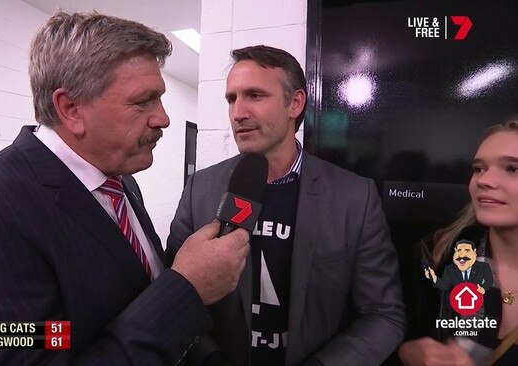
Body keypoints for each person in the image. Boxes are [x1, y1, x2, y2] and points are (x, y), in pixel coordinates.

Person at [0, 12, 250, 366]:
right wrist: (187, 290)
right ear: (71, 109)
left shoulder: (120, 183)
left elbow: (142, 293)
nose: (163, 118)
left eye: (159, 99)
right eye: (142, 101)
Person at [166, 45, 405, 366]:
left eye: (254, 95)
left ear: (295, 103)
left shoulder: (354, 197)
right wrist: (208, 358)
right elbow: (172, 293)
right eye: (231, 99)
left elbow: (383, 316)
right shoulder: (201, 189)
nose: (237, 113)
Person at [399, 119, 518, 366]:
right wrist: (407, 353)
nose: (484, 181)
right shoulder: (436, 258)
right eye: (479, 169)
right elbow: (393, 334)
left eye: (512, 169)